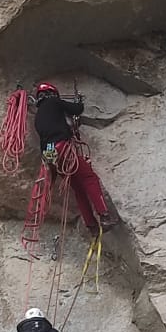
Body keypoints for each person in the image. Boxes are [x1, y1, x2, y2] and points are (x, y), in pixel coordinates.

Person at [33, 82, 116, 234]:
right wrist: (79, 102)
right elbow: (77, 109)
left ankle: (92, 226)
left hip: (50, 155)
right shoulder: (54, 102)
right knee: (89, 178)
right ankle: (104, 216)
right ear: (52, 94)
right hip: (62, 147)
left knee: (78, 188)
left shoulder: (38, 117)